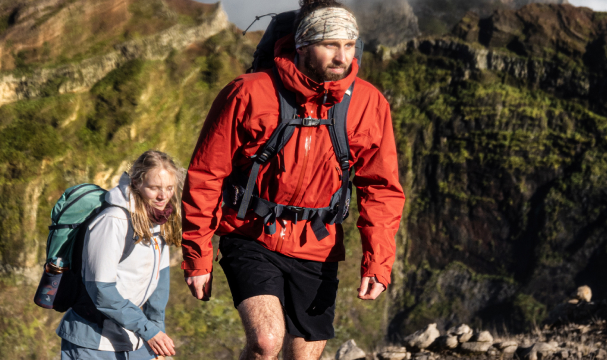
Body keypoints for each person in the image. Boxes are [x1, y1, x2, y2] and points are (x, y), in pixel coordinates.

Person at [180, 0, 406, 359]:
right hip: (250, 232)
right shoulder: (249, 92)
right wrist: (198, 255)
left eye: (349, 45)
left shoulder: (369, 104)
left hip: (318, 244)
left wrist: (378, 263)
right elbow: (207, 173)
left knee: (303, 355)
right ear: (302, 45)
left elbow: (381, 188)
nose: (341, 56)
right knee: (266, 342)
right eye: (330, 44)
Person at [58, 150, 183, 360]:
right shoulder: (113, 220)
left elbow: (159, 284)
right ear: (136, 182)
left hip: (135, 338)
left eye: (169, 188)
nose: (163, 196)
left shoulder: (157, 220)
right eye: (154, 188)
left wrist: (157, 332)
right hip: (93, 342)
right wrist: (149, 331)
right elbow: (100, 289)